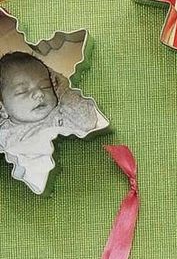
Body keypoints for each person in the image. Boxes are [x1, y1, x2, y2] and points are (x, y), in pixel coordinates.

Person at [0, 51, 101, 194]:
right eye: (22, 91)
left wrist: (63, 90)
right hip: (31, 193)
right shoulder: (4, 132)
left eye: (46, 86)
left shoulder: (61, 113)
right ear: (3, 108)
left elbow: (88, 121)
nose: (39, 94)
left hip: (75, 175)